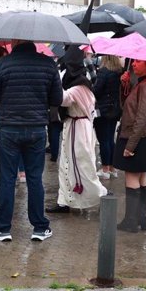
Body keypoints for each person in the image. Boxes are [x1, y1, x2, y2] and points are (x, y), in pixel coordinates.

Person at [0, 39, 63, 242]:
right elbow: (57, 99)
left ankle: (3, 229)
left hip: (9, 129)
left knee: (8, 179)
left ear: (16, 41)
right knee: (35, 178)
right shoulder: (48, 64)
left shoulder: (3, 64)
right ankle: (39, 227)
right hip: (37, 128)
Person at [46, 43, 107, 213]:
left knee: (82, 164)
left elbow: (63, 99)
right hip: (75, 126)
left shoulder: (80, 85)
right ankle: (65, 200)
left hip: (78, 128)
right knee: (67, 164)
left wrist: (53, 81)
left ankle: (99, 194)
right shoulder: (81, 82)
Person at [113, 59, 146, 233]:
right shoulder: (144, 83)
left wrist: (131, 145)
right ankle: (140, 218)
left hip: (137, 137)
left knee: (132, 176)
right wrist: (125, 85)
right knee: (141, 177)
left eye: (138, 61)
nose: (133, 64)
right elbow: (128, 107)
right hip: (143, 136)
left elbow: (141, 117)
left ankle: (131, 220)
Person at [93, 55, 123, 179]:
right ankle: (112, 168)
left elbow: (96, 91)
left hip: (103, 110)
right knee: (111, 139)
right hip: (115, 110)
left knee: (103, 140)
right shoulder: (119, 73)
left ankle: (105, 168)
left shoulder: (103, 72)